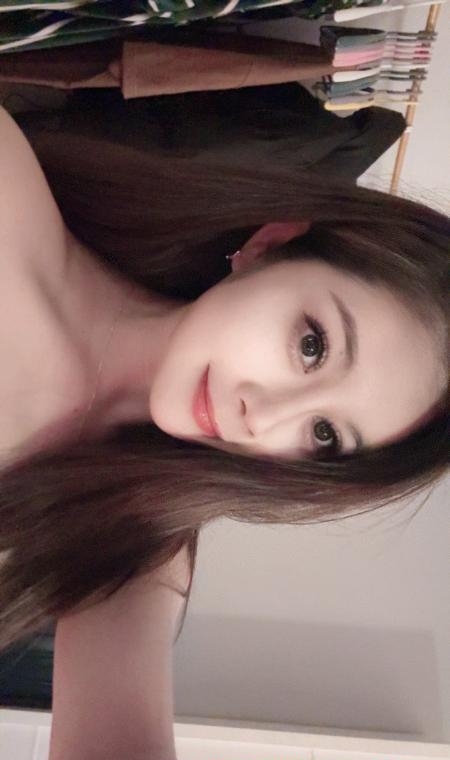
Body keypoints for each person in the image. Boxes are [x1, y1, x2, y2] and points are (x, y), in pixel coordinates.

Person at [0, 99, 448, 758]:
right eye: (312, 346)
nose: (264, 415)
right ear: (272, 245)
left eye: (324, 436)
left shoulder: (135, 548)